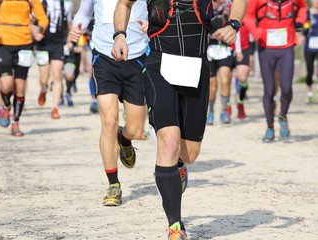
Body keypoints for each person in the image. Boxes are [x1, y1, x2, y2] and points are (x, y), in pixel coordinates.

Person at [112, 0, 246, 238]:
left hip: (196, 68)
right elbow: (124, 4)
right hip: (159, 65)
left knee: (189, 154)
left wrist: (234, 24)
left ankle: (178, 167)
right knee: (169, 140)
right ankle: (176, 226)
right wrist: (119, 36)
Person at [69, 0, 149, 207]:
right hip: (104, 57)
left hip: (137, 56)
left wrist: (151, 26)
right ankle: (113, 184)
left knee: (137, 128)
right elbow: (85, 14)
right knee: (109, 122)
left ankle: (124, 138)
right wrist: (76, 28)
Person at [0, 0, 49, 136]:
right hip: (3, 44)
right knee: (6, 85)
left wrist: (39, 28)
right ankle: (6, 106)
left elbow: (43, 18)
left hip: (25, 45)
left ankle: (15, 123)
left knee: (20, 86)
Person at [244, 0, 307, 142]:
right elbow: (248, 16)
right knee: (270, 90)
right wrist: (255, 31)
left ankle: (283, 115)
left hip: (287, 46)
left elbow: (302, 7)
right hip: (266, 48)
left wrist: (300, 20)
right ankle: (270, 127)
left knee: (286, 88)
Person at [35, 0, 73, 119]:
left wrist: (69, 40)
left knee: (57, 76)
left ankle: (55, 108)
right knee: (44, 79)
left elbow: (69, 24)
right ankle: (43, 89)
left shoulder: (67, 5)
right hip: (43, 44)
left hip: (58, 43)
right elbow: (31, 21)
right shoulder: (39, 3)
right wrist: (35, 33)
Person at [206, 0, 235, 125]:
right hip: (209, 50)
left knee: (225, 80)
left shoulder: (228, 8)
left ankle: (224, 111)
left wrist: (237, 49)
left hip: (224, 49)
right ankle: (210, 111)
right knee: (212, 85)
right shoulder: (205, 7)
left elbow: (236, 28)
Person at [234, 15, 252, 119]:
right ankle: (226, 106)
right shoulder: (227, 7)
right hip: (228, 48)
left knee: (243, 78)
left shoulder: (248, 10)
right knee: (225, 80)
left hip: (245, 48)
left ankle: (240, 102)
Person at [302, 0, 318, 103]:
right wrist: (302, 35)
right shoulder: (307, 13)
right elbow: (304, 28)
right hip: (309, 46)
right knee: (309, 71)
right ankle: (309, 92)